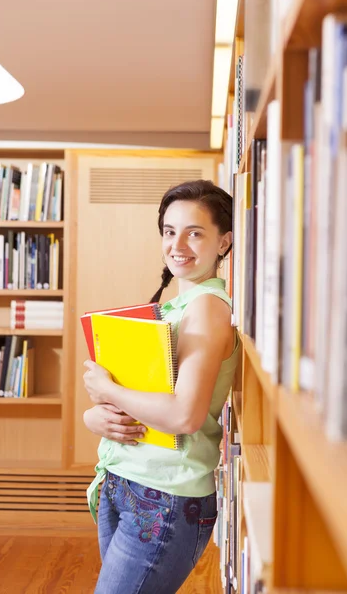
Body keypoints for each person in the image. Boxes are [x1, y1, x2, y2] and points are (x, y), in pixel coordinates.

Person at [83, 179, 240, 594]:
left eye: (195, 232)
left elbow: (183, 415)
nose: (178, 244)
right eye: (170, 231)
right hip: (126, 483)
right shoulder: (177, 308)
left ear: (223, 243)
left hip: (163, 497)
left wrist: (109, 390)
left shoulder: (207, 309)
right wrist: (96, 414)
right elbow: (145, 400)